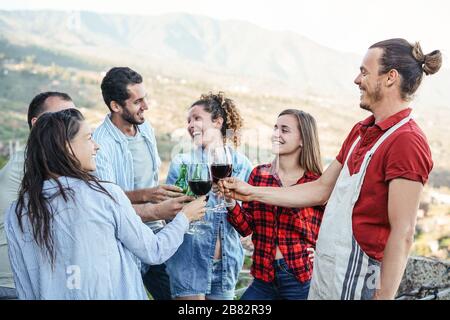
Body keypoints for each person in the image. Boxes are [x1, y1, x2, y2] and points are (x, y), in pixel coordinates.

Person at [221, 39, 441, 300]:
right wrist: (251, 192)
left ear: (390, 77)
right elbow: (321, 189)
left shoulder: (406, 140)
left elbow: (402, 233)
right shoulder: (360, 131)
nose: (356, 80)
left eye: (364, 72)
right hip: (328, 278)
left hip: (360, 283)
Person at [5, 108, 206, 300]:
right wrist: (184, 217)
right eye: (88, 137)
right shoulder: (103, 195)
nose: (96, 145)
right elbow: (154, 250)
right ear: (66, 147)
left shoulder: (17, 212)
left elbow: (25, 286)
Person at [93, 67, 188, 299]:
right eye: (138, 101)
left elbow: (150, 177)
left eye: (145, 98)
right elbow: (105, 202)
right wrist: (148, 196)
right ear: (116, 106)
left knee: (174, 294)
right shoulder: (99, 144)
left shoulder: (145, 127)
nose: (146, 106)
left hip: (155, 232)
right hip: (123, 241)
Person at [227, 109, 324, 300]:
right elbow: (246, 228)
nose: (276, 134)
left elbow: (334, 228)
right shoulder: (259, 175)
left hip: (299, 277)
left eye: (285, 130)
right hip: (263, 278)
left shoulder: (315, 183)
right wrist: (230, 202)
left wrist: (321, 251)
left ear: (303, 139)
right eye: (275, 128)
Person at [165, 92, 253, 300]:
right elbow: (169, 213)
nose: (190, 124)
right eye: (188, 120)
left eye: (197, 118)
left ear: (217, 122)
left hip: (227, 266)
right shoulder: (182, 163)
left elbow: (248, 219)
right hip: (189, 263)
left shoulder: (242, 165)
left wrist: (231, 202)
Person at [0, 92, 76, 299]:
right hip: (13, 285)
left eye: (73, 116)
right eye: (63, 116)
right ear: (37, 124)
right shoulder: (33, 164)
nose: (70, 123)